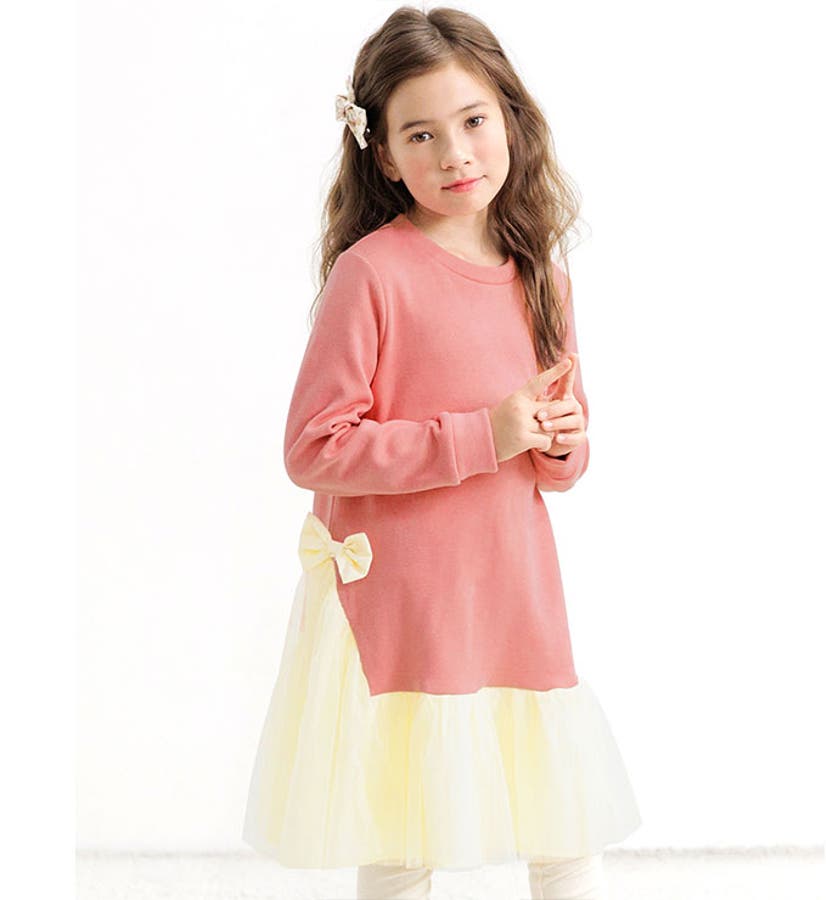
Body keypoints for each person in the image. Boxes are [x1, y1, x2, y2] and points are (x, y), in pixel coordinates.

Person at [242, 6, 642, 898]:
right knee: (401, 828)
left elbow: (559, 455)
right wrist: (481, 435)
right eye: (421, 135)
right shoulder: (373, 274)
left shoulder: (542, 277)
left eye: (473, 121)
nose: (456, 154)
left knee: (563, 823)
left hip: (514, 593)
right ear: (385, 155)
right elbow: (314, 447)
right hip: (408, 601)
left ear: (511, 120)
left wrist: (561, 445)